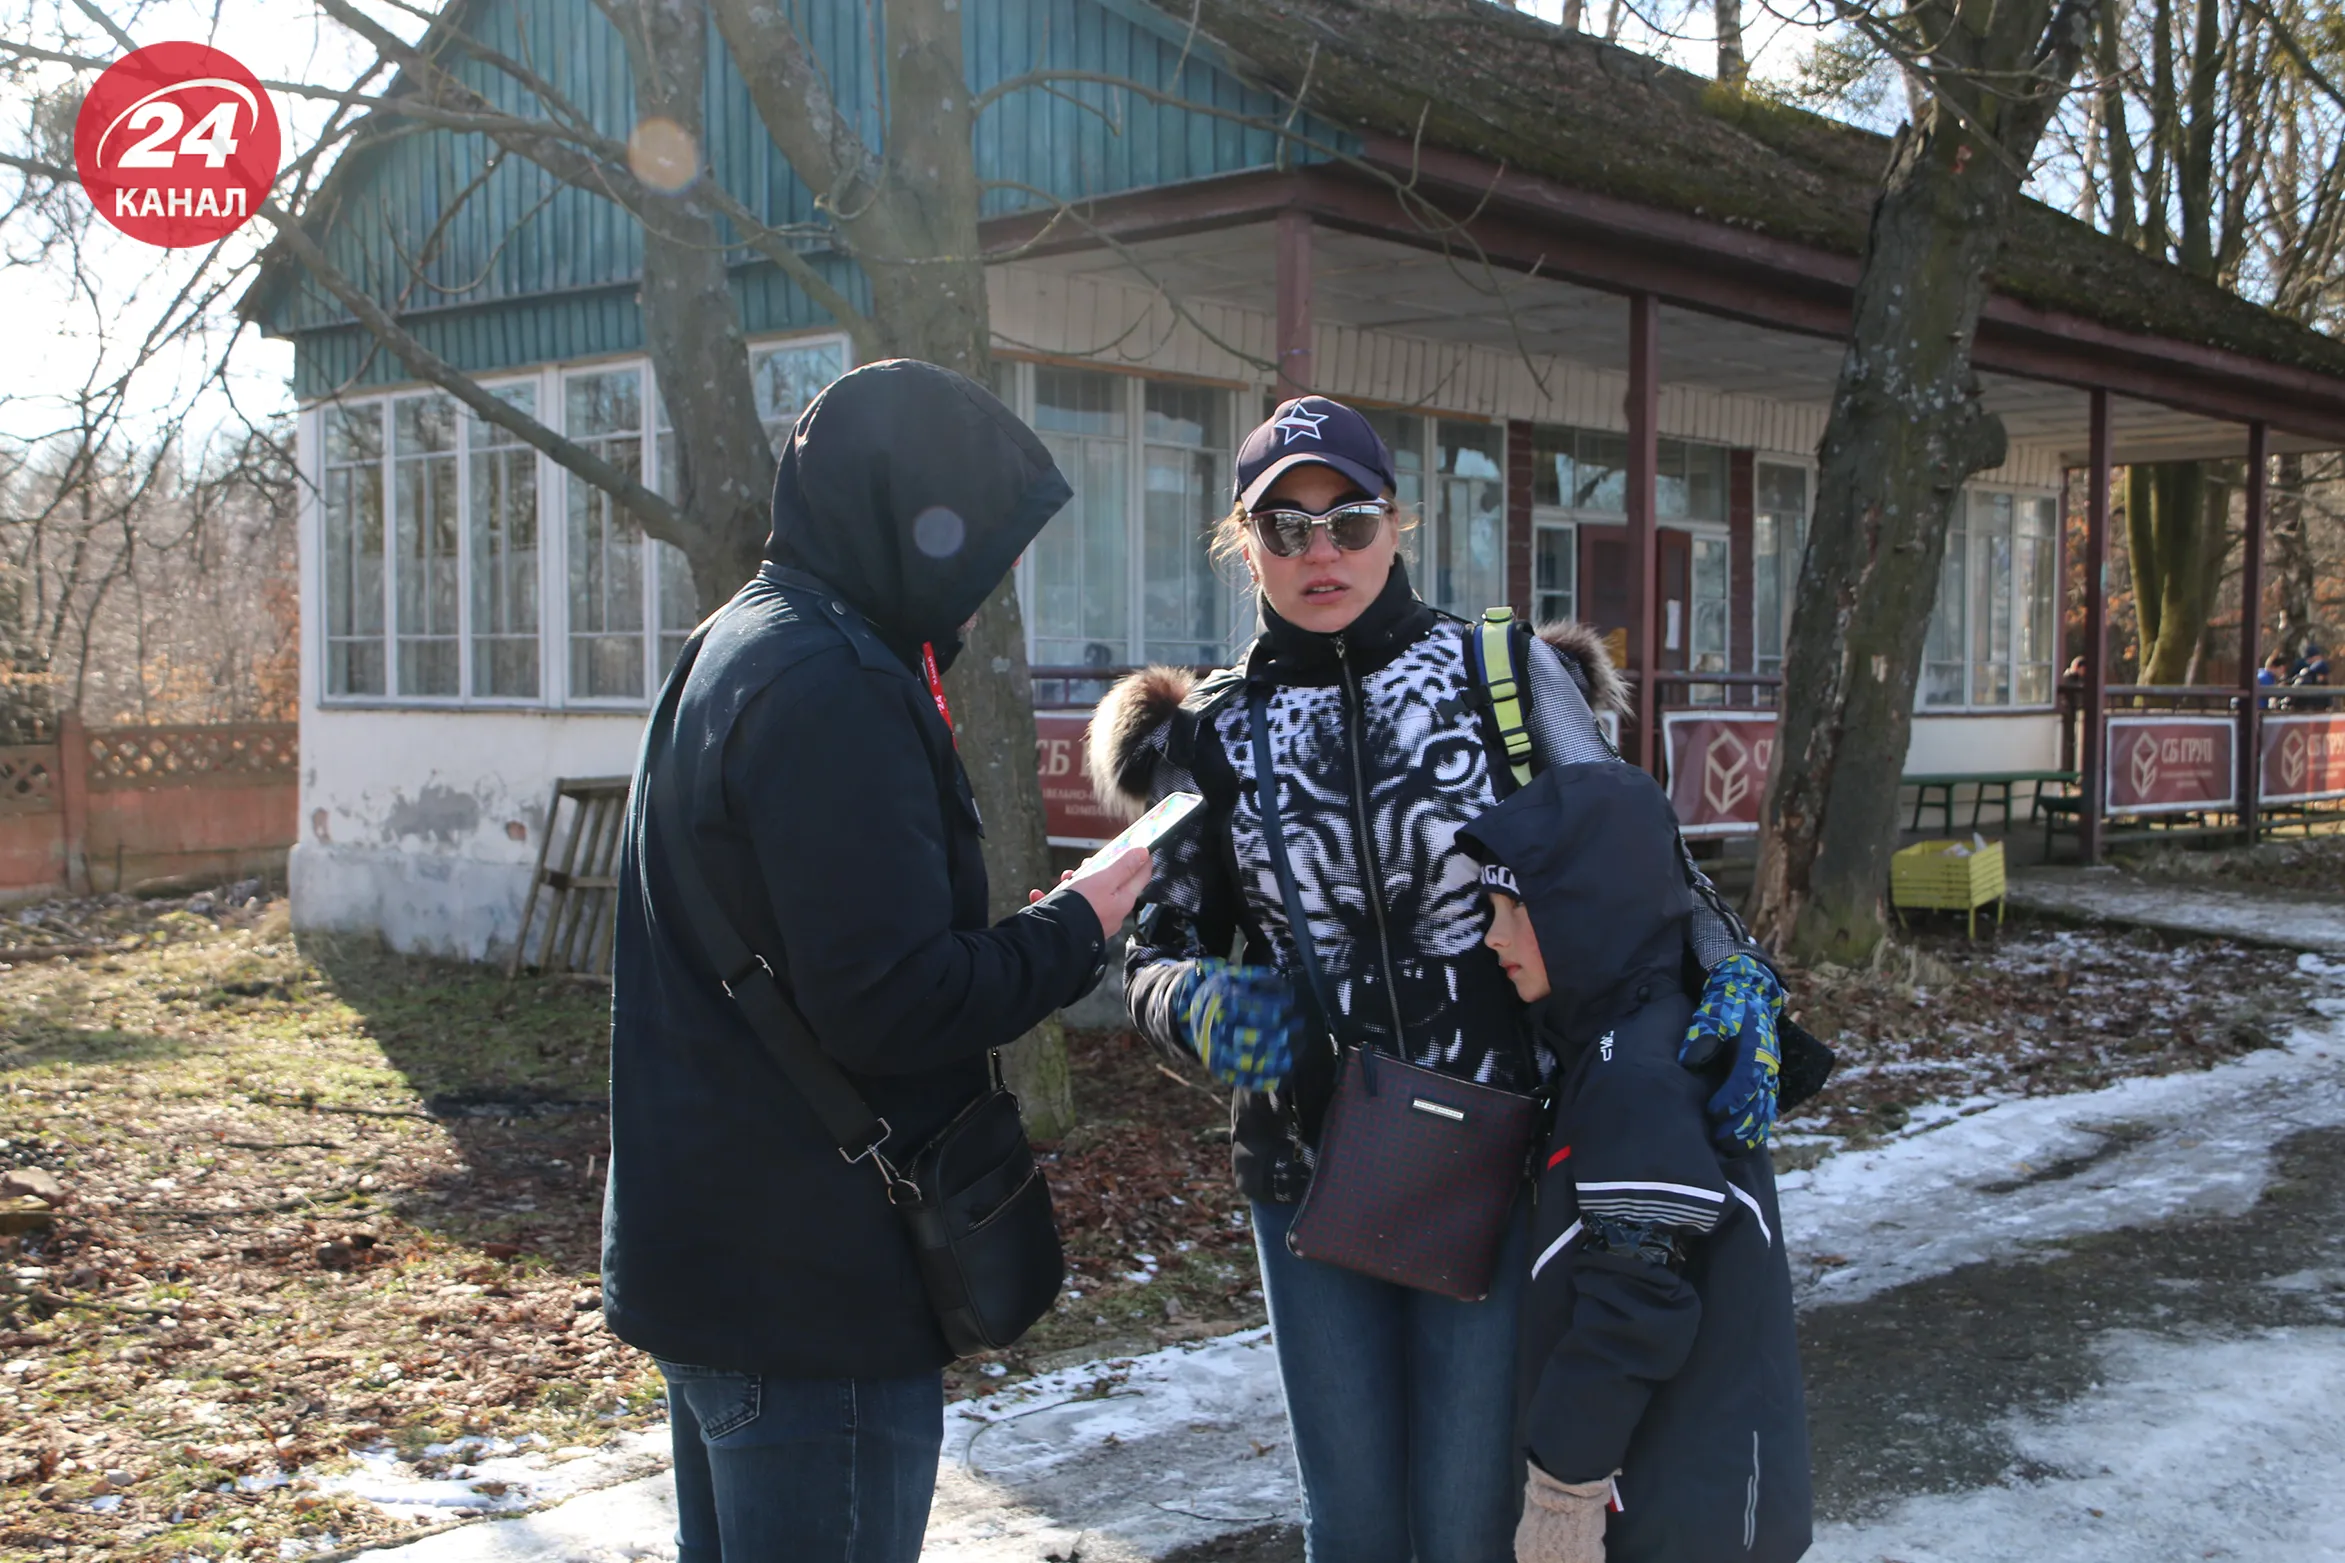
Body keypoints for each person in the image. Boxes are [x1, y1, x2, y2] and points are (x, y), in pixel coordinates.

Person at [1090, 395, 1785, 1562]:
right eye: (1285, 526)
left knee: (1469, 1522)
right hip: (1311, 1172)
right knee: (1355, 1529)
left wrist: (1731, 970)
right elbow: (1150, 953)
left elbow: (1636, 867)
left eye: (1348, 521)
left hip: (1503, 1161)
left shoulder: (1499, 677)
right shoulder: (1210, 731)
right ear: (1242, 539)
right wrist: (1211, 1011)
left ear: (1396, 524)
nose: (1321, 554)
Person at [603, 359, 1152, 1563]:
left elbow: (808, 949)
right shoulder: (837, 687)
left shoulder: (735, 643)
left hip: (715, 1262)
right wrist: (1078, 928)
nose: (990, 585)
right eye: (979, 549)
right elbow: (892, 1007)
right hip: (815, 1295)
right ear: (906, 521)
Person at [1460, 766, 1810, 1563]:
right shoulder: (1612, 1040)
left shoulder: (1640, 1073)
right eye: (1490, 909)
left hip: (1686, 1511)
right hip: (1673, 1487)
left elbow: (1635, 1309)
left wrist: (1562, 1494)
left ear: (1591, 912)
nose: (1494, 935)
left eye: (1516, 909)